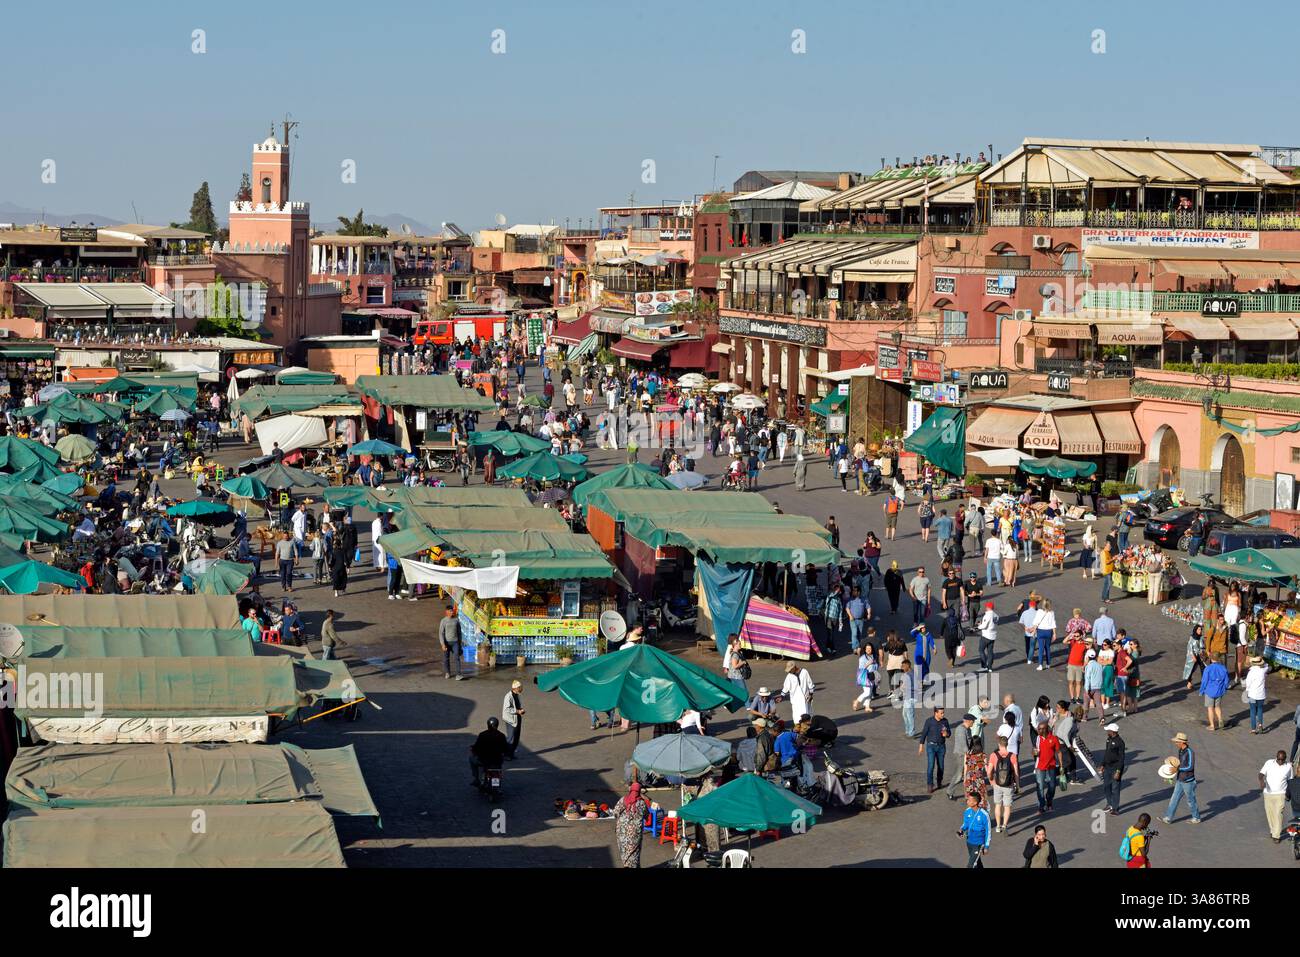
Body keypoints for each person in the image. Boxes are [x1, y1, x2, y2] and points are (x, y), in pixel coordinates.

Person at [1161, 732, 1201, 824]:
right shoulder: (1181, 751)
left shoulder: (1190, 752)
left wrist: (1177, 769)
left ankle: (1196, 818)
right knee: (1174, 798)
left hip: (1188, 782)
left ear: (1182, 742)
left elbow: (1190, 767)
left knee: (1191, 800)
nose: (1175, 743)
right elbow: (1179, 764)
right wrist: (1171, 774)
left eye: (1177, 742)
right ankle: (1168, 818)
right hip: (1180, 779)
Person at [612, 782, 650, 868]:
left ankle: (627, 865)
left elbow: (615, 813)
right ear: (639, 791)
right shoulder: (642, 803)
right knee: (634, 852)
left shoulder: (623, 800)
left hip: (622, 831)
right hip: (635, 833)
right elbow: (647, 816)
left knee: (624, 851)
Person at [987, 735, 1018, 833]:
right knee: (1007, 806)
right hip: (1008, 784)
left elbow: (989, 771)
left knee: (998, 805)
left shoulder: (994, 755)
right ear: (1007, 744)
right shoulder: (1012, 756)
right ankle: (1004, 825)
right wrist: (1017, 784)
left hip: (997, 783)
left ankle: (998, 826)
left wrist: (991, 780)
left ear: (999, 744)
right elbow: (1016, 772)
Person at [1261, 749, 1293, 843]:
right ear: (1276, 757)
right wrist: (1261, 781)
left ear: (1285, 759)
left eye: (1282, 760)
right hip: (1268, 793)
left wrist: (1288, 794)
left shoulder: (1288, 767)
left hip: (1281, 794)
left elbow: (1290, 781)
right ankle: (1273, 830)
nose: (1280, 761)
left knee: (1278, 814)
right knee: (1270, 814)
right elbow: (1261, 774)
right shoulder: (1269, 763)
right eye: (1278, 759)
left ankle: (1276, 835)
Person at [946, 711, 977, 799]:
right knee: (959, 775)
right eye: (972, 721)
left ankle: (969, 794)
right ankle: (949, 791)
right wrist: (969, 756)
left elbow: (970, 742)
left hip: (967, 754)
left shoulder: (968, 729)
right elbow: (964, 745)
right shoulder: (961, 729)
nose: (973, 722)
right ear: (968, 721)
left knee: (967, 774)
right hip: (961, 755)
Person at [919, 705, 951, 793]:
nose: (943, 715)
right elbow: (924, 733)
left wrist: (946, 734)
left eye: (943, 712)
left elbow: (949, 733)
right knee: (931, 766)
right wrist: (921, 745)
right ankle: (930, 784)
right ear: (935, 713)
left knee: (941, 766)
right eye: (941, 713)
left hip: (941, 747)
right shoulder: (929, 721)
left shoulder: (945, 721)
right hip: (931, 746)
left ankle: (939, 781)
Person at [469, 717, 509, 788]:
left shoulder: (483, 735)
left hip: (484, 761)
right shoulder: (501, 736)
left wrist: (473, 749)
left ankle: (476, 779)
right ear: (497, 725)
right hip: (497, 761)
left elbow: (477, 747)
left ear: (488, 725)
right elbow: (506, 749)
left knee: (471, 758)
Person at [1033, 722, 1063, 814]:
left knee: (1052, 786)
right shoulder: (1037, 739)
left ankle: (1049, 800)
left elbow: (1058, 752)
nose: (1039, 730)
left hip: (1051, 766)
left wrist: (1061, 766)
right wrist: (1034, 753)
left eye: (1041, 729)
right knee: (1040, 787)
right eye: (1038, 728)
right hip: (1039, 767)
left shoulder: (1054, 739)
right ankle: (1041, 806)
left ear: (1046, 729)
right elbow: (1034, 750)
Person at [957, 792, 991, 869]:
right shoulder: (967, 811)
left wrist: (986, 846)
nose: (967, 801)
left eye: (969, 800)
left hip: (978, 844)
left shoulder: (984, 815)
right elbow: (965, 824)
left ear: (975, 802)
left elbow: (988, 832)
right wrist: (961, 830)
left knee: (971, 865)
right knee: (977, 862)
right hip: (969, 842)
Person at [1100, 722, 1125, 814]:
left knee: (1115, 788)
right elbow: (1107, 753)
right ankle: (1109, 804)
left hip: (1115, 769)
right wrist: (1102, 764)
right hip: (1107, 767)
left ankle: (1115, 808)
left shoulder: (1120, 742)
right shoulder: (1108, 739)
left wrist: (1118, 771)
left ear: (1113, 731)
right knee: (1106, 787)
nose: (1107, 731)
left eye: (1108, 730)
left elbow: (1122, 758)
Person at [1200, 658, 1229, 731]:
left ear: (1211, 659)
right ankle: (1220, 719)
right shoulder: (1223, 668)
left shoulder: (1208, 668)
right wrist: (1224, 688)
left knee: (1210, 708)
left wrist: (1202, 690)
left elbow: (1204, 681)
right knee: (1217, 707)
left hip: (1209, 691)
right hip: (1219, 690)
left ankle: (1212, 725)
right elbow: (1226, 680)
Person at [1245, 655, 1269, 734]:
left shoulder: (1251, 672)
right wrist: (1261, 660)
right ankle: (1260, 725)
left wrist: (1247, 691)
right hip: (1261, 694)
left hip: (1252, 694)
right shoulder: (1263, 670)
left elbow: (1248, 683)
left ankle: (1253, 729)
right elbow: (1267, 665)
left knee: (1252, 711)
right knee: (1260, 710)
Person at [440, 603, 464, 680]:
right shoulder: (443, 621)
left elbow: (459, 632)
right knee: (446, 658)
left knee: (456, 657)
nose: (452, 612)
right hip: (446, 643)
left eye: (452, 611)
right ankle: (447, 673)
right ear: (446, 612)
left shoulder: (456, 620)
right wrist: (443, 644)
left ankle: (458, 674)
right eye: (450, 611)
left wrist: (460, 644)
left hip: (455, 642)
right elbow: (441, 633)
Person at [502, 680, 525, 759]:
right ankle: (507, 755)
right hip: (510, 720)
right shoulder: (508, 696)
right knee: (511, 738)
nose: (521, 689)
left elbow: (517, 705)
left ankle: (511, 753)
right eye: (520, 687)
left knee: (516, 737)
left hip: (517, 718)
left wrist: (521, 710)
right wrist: (518, 711)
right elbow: (507, 709)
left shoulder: (517, 695)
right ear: (515, 688)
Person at [1032, 598, 1057, 670]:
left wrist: (1034, 631)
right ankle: (1048, 664)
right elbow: (1053, 623)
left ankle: (1040, 665)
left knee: (1041, 648)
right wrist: (1054, 634)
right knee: (1047, 648)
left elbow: (1036, 622)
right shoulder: (1052, 612)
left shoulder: (1039, 611)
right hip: (1049, 632)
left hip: (1040, 631)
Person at [1183, 624, 1206, 690]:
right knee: (1191, 669)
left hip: (1199, 655)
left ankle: (1203, 682)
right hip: (1192, 655)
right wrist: (1193, 656)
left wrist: (1202, 652)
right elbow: (1189, 648)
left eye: (1201, 629)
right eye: (1199, 629)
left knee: (1203, 668)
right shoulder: (1192, 638)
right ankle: (1189, 682)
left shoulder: (1201, 637)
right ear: (1195, 630)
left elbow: (1202, 646)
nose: (1200, 631)